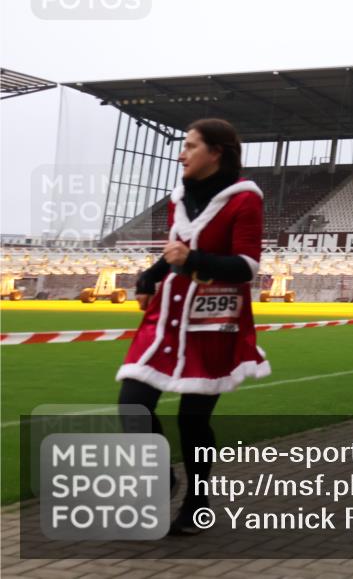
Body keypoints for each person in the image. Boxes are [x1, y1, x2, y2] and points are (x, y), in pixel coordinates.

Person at [117, 118, 269, 535]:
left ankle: (196, 504)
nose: (181, 153)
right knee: (132, 403)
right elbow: (176, 251)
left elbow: (247, 267)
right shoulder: (178, 199)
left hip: (211, 324)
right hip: (166, 318)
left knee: (193, 421)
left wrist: (193, 261)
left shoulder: (244, 200)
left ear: (215, 152)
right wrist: (150, 276)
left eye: (190, 146)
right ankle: (161, 476)